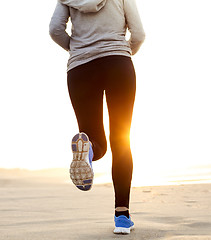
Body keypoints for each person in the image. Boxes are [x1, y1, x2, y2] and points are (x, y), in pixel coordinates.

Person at [49, 0, 145, 234]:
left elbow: (55, 29)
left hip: (80, 69)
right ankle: (122, 217)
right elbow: (139, 33)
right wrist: (123, 50)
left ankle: (89, 147)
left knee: (95, 139)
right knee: (121, 141)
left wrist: (78, 49)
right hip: (118, 65)